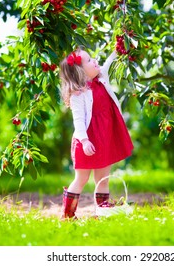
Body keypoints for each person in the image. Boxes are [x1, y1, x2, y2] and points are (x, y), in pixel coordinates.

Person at [59, 48, 133, 219]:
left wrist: (117, 50)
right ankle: (68, 215)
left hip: (105, 136)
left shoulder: (101, 79)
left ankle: (102, 212)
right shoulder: (79, 94)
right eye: (89, 60)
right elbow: (78, 121)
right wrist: (84, 141)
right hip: (87, 139)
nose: (95, 61)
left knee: (103, 178)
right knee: (82, 178)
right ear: (81, 71)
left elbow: (108, 64)